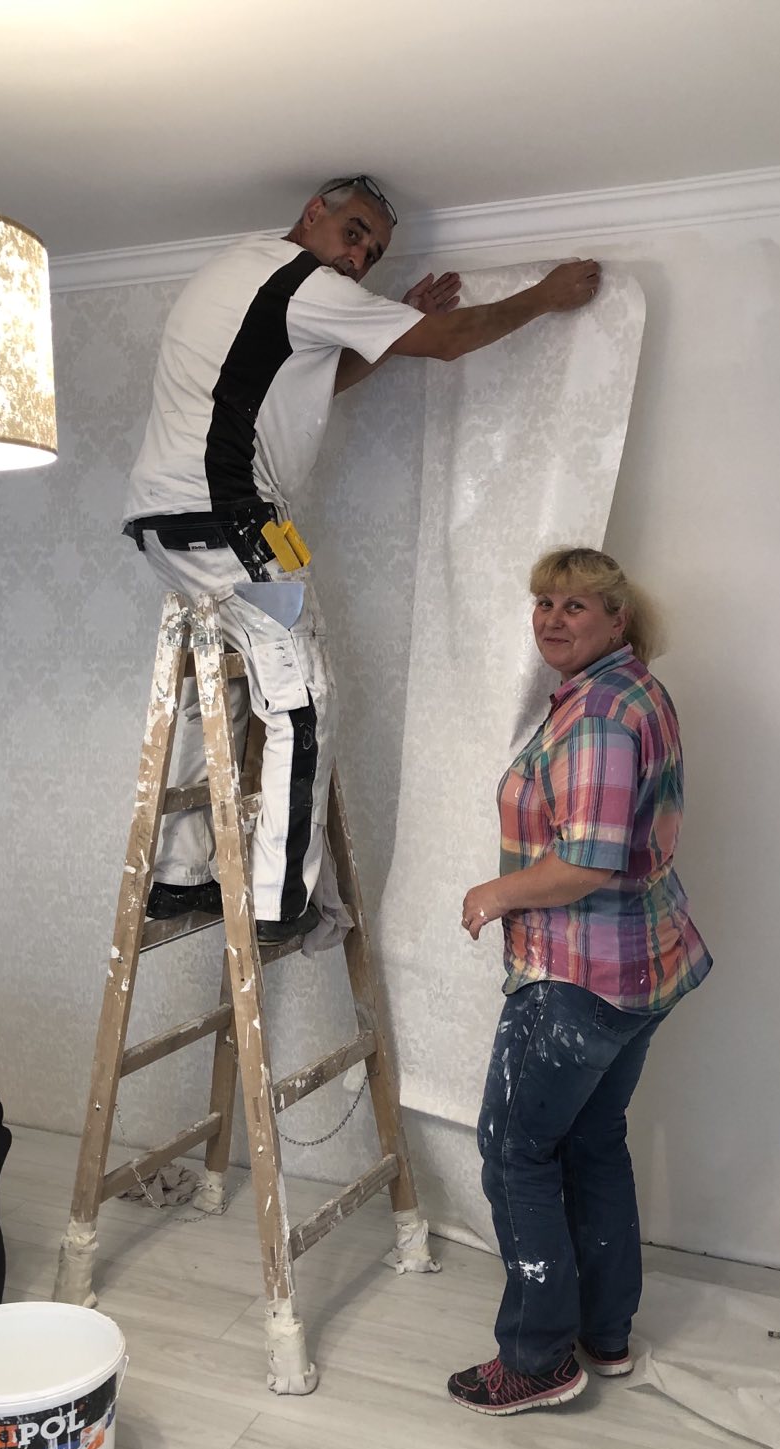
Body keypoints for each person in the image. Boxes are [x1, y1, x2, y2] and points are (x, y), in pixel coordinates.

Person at [123, 174, 602, 943]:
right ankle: (278, 903)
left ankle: (179, 876)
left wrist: (392, 322)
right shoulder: (304, 282)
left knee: (219, 683)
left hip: (169, 525)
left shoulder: (242, 268)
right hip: (231, 520)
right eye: (353, 233)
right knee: (303, 699)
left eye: (371, 253)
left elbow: (321, 380)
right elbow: (447, 342)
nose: (358, 259)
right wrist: (544, 297)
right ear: (313, 212)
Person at [447, 546, 712, 1415]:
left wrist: (493, 894)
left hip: (579, 977)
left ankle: (536, 1358)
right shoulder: (635, 689)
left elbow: (588, 862)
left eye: (576, 606)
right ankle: (606, 1333)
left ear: (616, 617)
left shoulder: (597, 712)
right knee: (595, 1140)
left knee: (514, 1152)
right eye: (544, 603)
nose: (554, 620)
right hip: (642, 968)